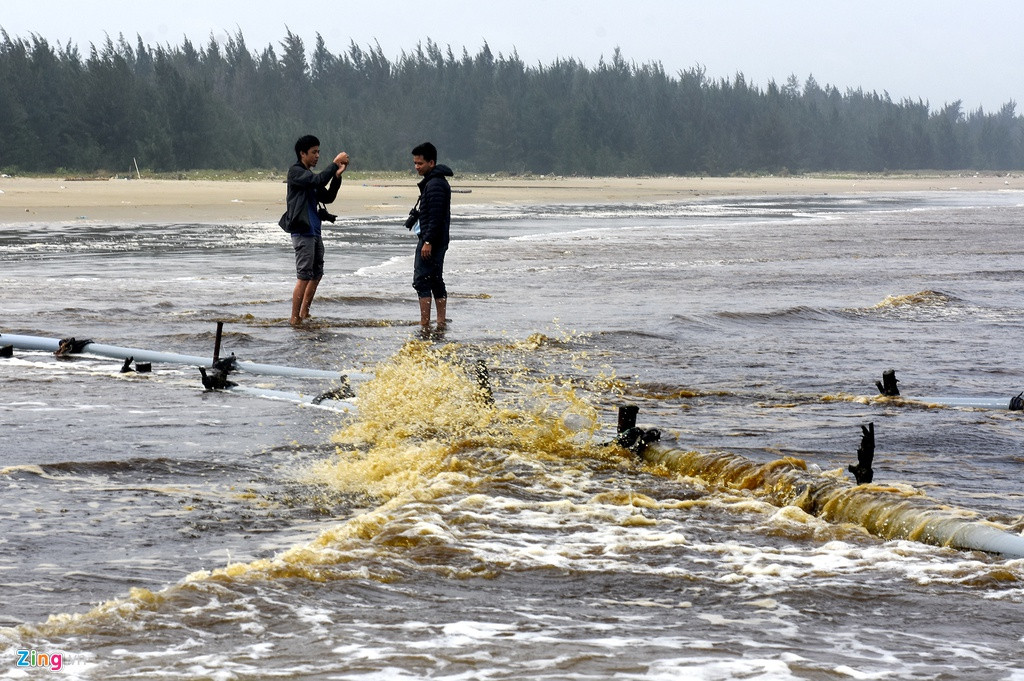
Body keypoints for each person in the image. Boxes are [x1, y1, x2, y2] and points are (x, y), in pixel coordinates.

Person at [282, 135, 349, 326]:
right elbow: (319, 180)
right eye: (314, 152)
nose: (317, 156)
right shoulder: (296, 173)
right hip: (302, 232)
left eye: (319, 152)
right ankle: (294, 318)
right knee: (303, 276)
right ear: (302, 154)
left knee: (316, 274)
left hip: (315, 231)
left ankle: (304, 313)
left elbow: (327, 197)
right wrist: (334, 164)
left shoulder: (309, 177)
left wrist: (336, 177)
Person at [410, 142, 454, 332]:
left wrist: (427, 241)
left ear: (431, 162)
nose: (417, 167)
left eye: (420, 163)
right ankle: (440, 321)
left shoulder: (435, 184)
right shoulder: (435, 181)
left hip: (432, 240)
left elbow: (436, 217)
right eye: (415, 163)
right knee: (436, 279)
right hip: (438, 239)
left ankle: (425, 323)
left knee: (422, 280)